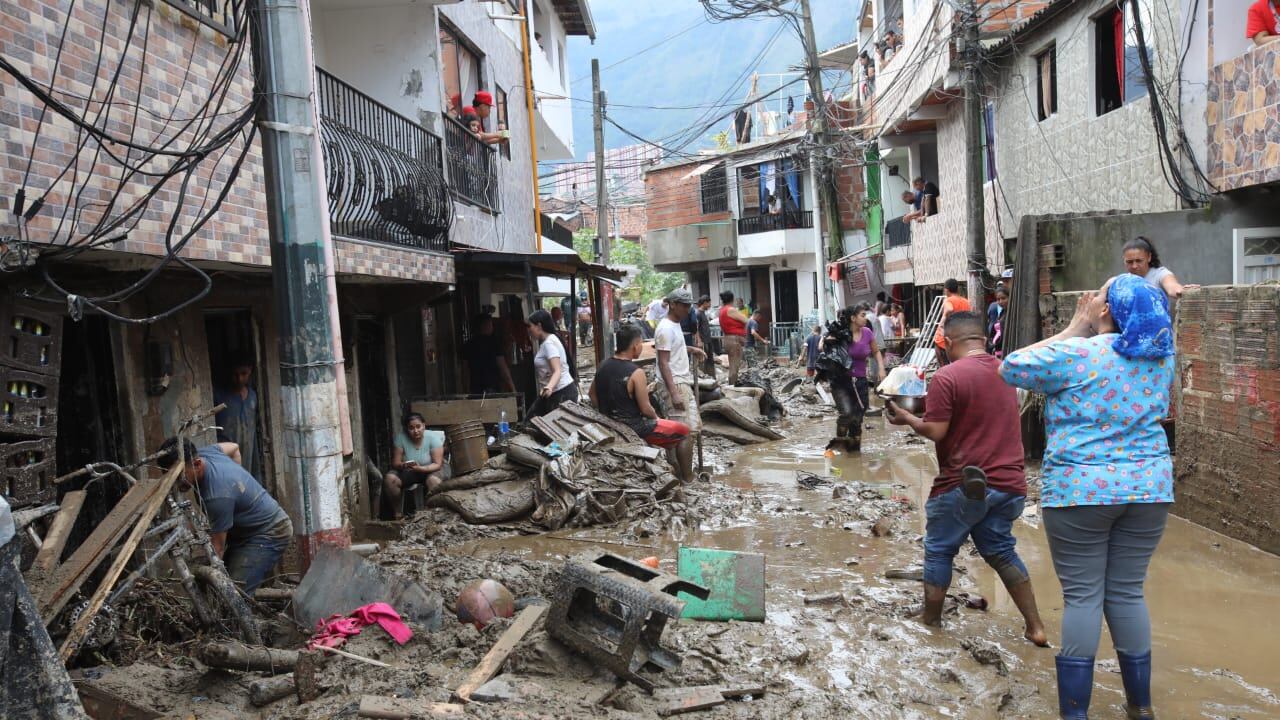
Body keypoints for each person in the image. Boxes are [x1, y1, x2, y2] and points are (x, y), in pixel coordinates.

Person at [1000, 274, 1176, 720]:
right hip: (1149, 488)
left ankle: (1075, 714)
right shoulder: (1161, 358)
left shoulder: (1077, 354)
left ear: (1105, 311)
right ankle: (1140, 707)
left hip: (1081, 490)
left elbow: (1012, 366)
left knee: (1083, 598)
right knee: (1127, 593)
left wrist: (1073, 327)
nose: (1092, 299)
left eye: (1098, 295)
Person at [885, 312, 1050, 647]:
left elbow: (936, 430)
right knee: (1002, 552)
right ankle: (1035, 626)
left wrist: (907, 418)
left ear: (947, 342)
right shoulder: (1007, 372)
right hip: (1010, 486)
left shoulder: (947, 377)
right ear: (983, 338)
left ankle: (931, 621)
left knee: (939, 550)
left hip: (965, 484)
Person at [158, 438, 292, 593]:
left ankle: (244, 615)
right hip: (244, 531)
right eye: (169, 475)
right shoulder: (206, 452)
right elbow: (234, 448)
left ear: (197, 464)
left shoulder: (218, 496)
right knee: (225, 585)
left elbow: (218, 549)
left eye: (179, 475)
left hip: (269, 532)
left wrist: (210, 583)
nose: (174, 482)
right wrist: (238, 480)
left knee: (234, 594)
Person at [590, 325, 690, 449]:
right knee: (684, 430)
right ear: (635, 346)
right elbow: (646, 409)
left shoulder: (602, 365)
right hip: (633, 427)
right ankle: (681, 467)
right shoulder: (636, 373)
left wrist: (603, 413)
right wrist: (657, 419)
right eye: (641, 343)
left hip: (608, 422)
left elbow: (592, 394)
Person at [654, 289, 707, 482]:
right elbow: (663, 362)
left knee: (685, 430)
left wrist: (690, 349)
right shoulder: (666, 328)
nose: (688, 309)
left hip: (679, 380)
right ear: (672, 304)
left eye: (689, 305)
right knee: (685, 431)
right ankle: (687, 477)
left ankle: (679, 472)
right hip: (675, 382)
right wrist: (674, 393)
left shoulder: (674, 325)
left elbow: (672, 349)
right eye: (684, 305)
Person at [821, 304, 884, 452]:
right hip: (840, 382)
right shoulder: (840, 332)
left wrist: (881, 369)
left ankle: (854, 452)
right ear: (853, 318)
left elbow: (876, 352)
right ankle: (840, 443)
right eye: (862, 315)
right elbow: (821, 347)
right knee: (847, 413)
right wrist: (828, 340)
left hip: (860, 382)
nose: (865, 318)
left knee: (857, 419)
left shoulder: (867, 332)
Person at [382, 412, 447, 521]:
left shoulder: (433, 438)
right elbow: (395, 463)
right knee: (390, 479)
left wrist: (420, 468)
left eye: (418, 427)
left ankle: (433, 515)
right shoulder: (401, 438)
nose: (415, 431)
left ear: (424, 426)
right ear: (407, 429)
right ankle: (398, 514)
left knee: (433, 481)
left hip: (433, 469)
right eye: (411, 428)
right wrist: (403, 465)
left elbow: (437, 464)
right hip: (411, 470)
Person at [213, 355, 259, 477]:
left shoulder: (252, 397)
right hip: (227, 458)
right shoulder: (218, 397)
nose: (239, 379)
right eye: (235, 374)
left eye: (244, 374)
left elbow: (253, 432)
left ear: (250, 371)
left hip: (248, 457)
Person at [528, 309, 577, 415]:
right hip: (556, 392)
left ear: (539, 326)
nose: (529, 330)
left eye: (530, 326)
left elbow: (557, 371)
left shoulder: (549, 343)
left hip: (561, 393)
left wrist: (549, 387)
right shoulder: (551, 339)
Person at [1122, 236, 1194, 300]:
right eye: (1129, 262)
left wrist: (1184, 292)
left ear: (1149, 257)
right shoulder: (1121, 281)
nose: (1134, 266)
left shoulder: (1160, 274)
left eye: (1139, 261)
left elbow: (1172, 286)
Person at [465, 314, 516, 395]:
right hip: (491, 387)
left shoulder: (469, 344)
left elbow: (465, 370)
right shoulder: (494, 343)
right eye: (491, 324)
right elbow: (503, 368)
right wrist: (513, 388)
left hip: (475, 389)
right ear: (486, 325)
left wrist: (467, 389)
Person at [934, 279, 972, 367]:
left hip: (943, 340)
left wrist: (942, 322)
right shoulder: (966, 302)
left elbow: (949, 309)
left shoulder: (948, 300)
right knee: (958, 367)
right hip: (959, 339)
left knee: (945, 368)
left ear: (946, 290)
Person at [718, 290, 750, 385]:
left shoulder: (722, 310)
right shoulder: (731, 310)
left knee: (733, 365)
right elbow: (746, 320)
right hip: (734, 340)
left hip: (728, 339)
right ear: (732, 299)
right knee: (734, 366)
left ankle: (732, 384)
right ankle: (733, 386)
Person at [696, 296, 716, 376]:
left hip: (708, 340)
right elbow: (696, 328)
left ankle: (711, 376)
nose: (710, 305)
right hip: (703, 341)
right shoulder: (698, 313)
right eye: (709, 303)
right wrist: (699, 341)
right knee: (703, 360)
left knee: (709, 359)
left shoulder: (703, 313)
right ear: (704, 303)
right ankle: (703, 377)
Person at [988, 288, 1009, 357]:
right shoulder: (1003, 312)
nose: (1000, 301)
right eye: (998, 299)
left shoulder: (1011, 314)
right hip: (998, 350)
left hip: (1005, 351)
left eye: (1003, 298)